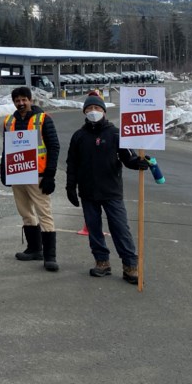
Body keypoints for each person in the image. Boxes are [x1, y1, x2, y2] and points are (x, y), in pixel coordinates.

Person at [66, 94, 150, 284]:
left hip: (111, 191)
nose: (93, 112)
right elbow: (72, 163)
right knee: (94, 229)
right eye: (89, 110)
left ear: (104, 111)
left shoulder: (116, 134)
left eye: (96, 109)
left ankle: (130, 265)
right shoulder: (79, 136)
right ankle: (102, 262)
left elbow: (128, 159)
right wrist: (70, 186)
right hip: (88, 191)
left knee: (120, 228)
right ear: (84, 113)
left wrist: (139, 163)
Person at [0, 86, 61, 272]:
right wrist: (4, 170)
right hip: (18, 174)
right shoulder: (9, 121)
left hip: (39, 175)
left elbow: (54, 147)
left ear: (30, 100)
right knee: (25, 212)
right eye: (17, 100)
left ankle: (50, 256)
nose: (20, 103)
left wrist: (50, 174)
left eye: (24, 99)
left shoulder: (43, 119)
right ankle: (34, 249)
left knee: (44, 213)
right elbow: (6, 148)